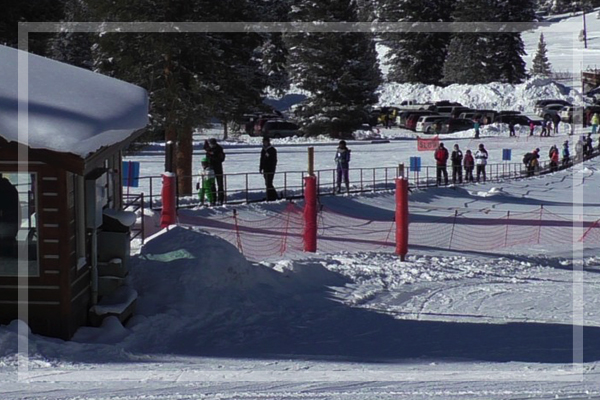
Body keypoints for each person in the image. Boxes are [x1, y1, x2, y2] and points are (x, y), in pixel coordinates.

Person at [203, 138, 226, 205]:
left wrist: (212, 156)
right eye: (210, 144)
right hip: (210, 169)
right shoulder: (208, 149)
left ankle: (220, 199)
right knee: (211, 184)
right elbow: (205, 147)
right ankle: (213, 199)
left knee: (220, 184)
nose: (211, 146)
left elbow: (221, 159)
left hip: (218, 168)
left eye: (212, 144)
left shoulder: (219, 149)